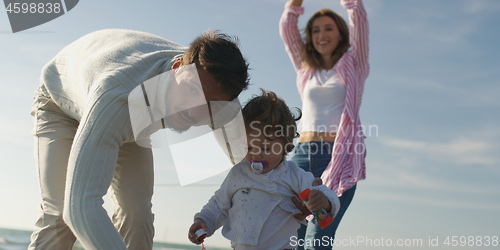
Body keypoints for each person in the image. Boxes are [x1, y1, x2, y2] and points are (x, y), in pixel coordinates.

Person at [28, 29, 250, 250]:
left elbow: (253, 172)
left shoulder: (225, 107)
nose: (193, 110)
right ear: (175, 70)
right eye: (192, 89)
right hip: (61, 101)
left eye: (210, 104)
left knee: (137, 216)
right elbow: (79, 208)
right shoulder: (118, 97)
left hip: (132, 120)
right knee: (60, 215)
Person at [187, 90, 341, 250]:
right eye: (249, 147)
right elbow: (218, 205)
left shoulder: (293, 175)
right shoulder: (237, 174)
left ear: (285, 144)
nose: (256, 154)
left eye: (266, 148)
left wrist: (326, 202)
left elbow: (322, 191)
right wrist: (203, 221)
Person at [279, 0, 369, 249]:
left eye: (328, 28)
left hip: (336, 159)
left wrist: (351, 4)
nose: (322, 35)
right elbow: (287, 28)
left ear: (341, 33)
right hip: (301, 157)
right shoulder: (306, 69)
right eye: (316, 30)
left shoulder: (355, 64)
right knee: (292, 240)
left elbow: (359, 18)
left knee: (317, 241)